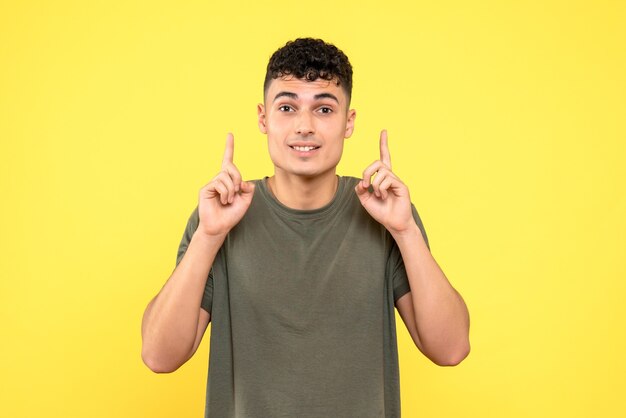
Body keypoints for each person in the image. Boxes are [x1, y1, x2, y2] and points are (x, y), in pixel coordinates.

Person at [141, 37, 470, 417]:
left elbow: (451, 348)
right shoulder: (219, 216)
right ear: (264, 118)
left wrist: (406, 230)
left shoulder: (388, 215)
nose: (304, 126)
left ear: (349, 123)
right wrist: (208, 236)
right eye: (287, 107)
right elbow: (158, 355)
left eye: (324, 109)